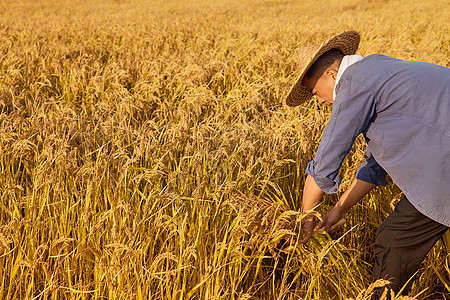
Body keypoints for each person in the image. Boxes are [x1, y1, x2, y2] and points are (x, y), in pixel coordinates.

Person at [285, 30, 450, 298]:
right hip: (442, 157)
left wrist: (306, 219)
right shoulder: (379, 69)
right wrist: (340, 208)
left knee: (393, 241)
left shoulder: (354, 82)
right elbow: (374, 165)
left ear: (331, 74)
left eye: (315, 92)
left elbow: (325, 162)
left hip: (444, 166)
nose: (320, 101)